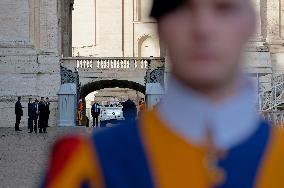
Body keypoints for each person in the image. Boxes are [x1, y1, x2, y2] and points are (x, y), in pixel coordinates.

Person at [42, 0, 284, 187]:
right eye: (183, 8)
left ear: (252, 23)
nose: (203, 28)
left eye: (223, 8)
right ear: (160, 27)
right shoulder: (89, 164)